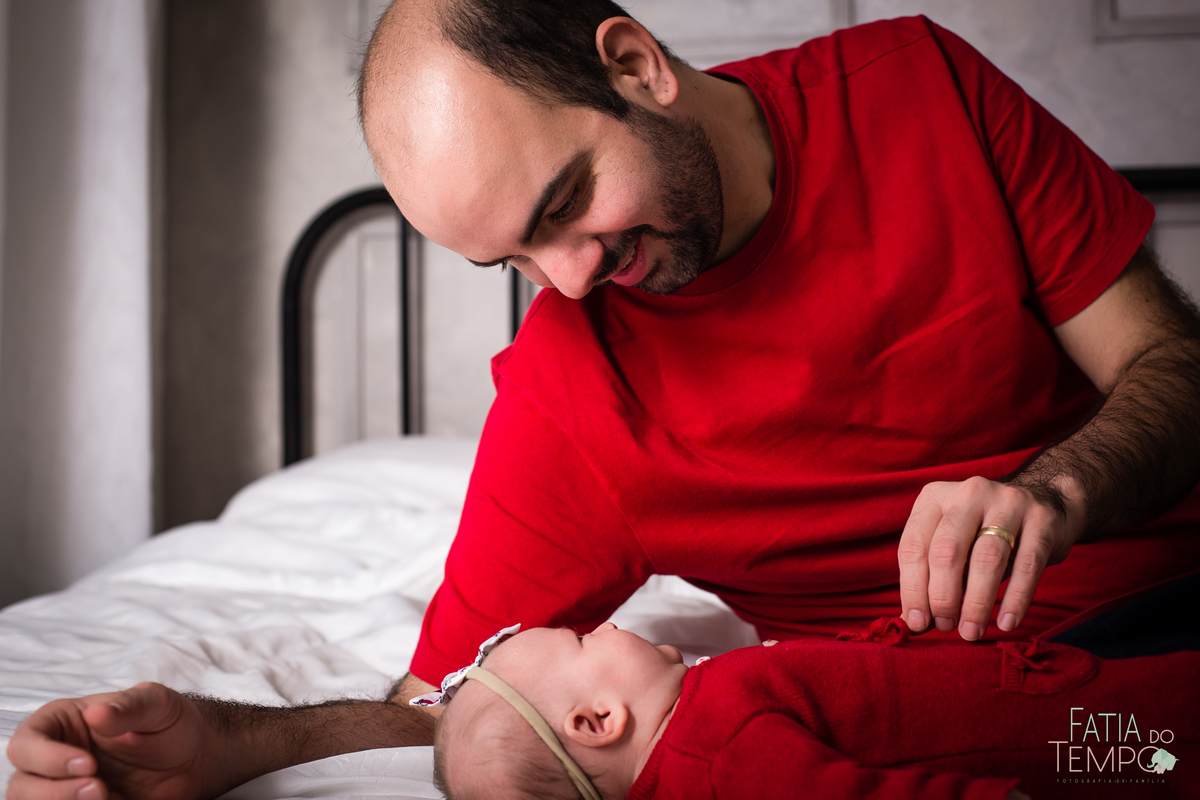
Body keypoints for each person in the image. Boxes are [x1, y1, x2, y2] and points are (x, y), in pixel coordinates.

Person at [9, 1, 1200, 799]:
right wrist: (220, 745)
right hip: (1022, 710)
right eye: (514, 263)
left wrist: (1061, 486)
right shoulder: (571, 395)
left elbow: (1174, 367)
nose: (569, 279)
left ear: (635, 66)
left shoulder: (918, 90)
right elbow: (462, 708)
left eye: (565, 205)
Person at [426, 621, 1196, 799]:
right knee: (1168, 732)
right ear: (598, 721)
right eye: (588, 636)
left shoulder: (702, 736)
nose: (612, 624)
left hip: (1029, 708)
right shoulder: (717, 750)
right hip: (1051, 737)